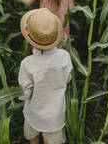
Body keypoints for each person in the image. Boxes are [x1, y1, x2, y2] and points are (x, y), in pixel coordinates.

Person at [18, 8, 73, 144]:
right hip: (55, 116)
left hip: (34, 114)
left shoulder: (27, 64)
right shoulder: (64, 57)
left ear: (31, 38)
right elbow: (67, 79)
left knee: (33, 139)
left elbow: (25, 92)